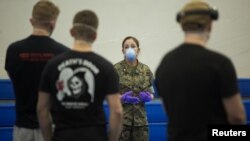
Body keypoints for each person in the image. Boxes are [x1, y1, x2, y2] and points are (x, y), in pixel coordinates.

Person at [155, 1, 246, 141]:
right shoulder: (220, 63)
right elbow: (237, 117)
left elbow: (170, 112)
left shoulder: (164, 64)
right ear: (209, 25)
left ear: (183, 25)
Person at [37, 10, 123, 141]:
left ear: (72, 32)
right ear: (95, 36)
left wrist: (49, 138)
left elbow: (42, 109)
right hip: (95, 136)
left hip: (63, 136)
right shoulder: (106, 67)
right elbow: (117, 111)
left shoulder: (52, 65)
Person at [4, 1, 68, 141]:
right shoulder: (63, 53)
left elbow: (14, 78)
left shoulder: (14, 50)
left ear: (31, 21)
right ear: (53, 24)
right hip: (51, 128)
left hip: (22, 128)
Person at [114, 36, 154, 141]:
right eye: (126, 47)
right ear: (122, 50)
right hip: (122, 123)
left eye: (133, 46)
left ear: (138, 50)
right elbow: (110, 95)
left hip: (140, 123)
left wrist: (149, 97)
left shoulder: (146, 70)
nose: (130, 49)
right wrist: (121, 98)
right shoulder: (115, 69)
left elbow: (151, 92)